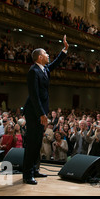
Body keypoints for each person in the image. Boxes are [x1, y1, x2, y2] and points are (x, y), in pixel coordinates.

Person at [22, 35, 68, 185]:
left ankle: (35, 169)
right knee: (32, 143)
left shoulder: (44, 69)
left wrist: (65, 50)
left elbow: (55, 64)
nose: (48, 56)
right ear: (40, 57)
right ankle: (27, 174)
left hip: (40, 111)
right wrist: (42, 113)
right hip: (34, 111)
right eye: (46, 54)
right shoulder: (33, 71)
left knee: (37, 143)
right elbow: (34, 95)